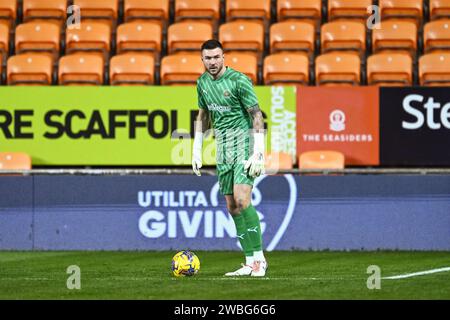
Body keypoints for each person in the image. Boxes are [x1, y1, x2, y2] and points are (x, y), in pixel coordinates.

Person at [192, 39, 267, 277]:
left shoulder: (239, 80)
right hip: (223, 149)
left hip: (243, 144)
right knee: (232, 206)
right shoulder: (202, 83)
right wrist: (196, 147)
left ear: (223, 57)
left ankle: (259, 260)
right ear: (202, 60)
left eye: (216, 57)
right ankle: (248, 262)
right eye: (208, 58)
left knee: (242, 199)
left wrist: (259, 151)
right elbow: (203, 115)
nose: (212, 62)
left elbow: (257, 115)